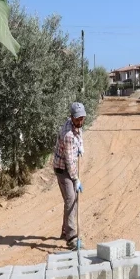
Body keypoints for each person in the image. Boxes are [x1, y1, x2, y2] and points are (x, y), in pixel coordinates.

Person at [53, 102, 85, 250]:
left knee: (71, 199)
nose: (80, 122)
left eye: (82, 118)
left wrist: (81, 146)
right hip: (62, 169)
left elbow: (80, 134)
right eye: (78, 119)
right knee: (71, 198)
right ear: (71, 117)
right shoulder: (68, 135)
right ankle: (71, 237)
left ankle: (65, 230)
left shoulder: (76, 126)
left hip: (68, 166)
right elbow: (70, 163)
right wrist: (76, 179)